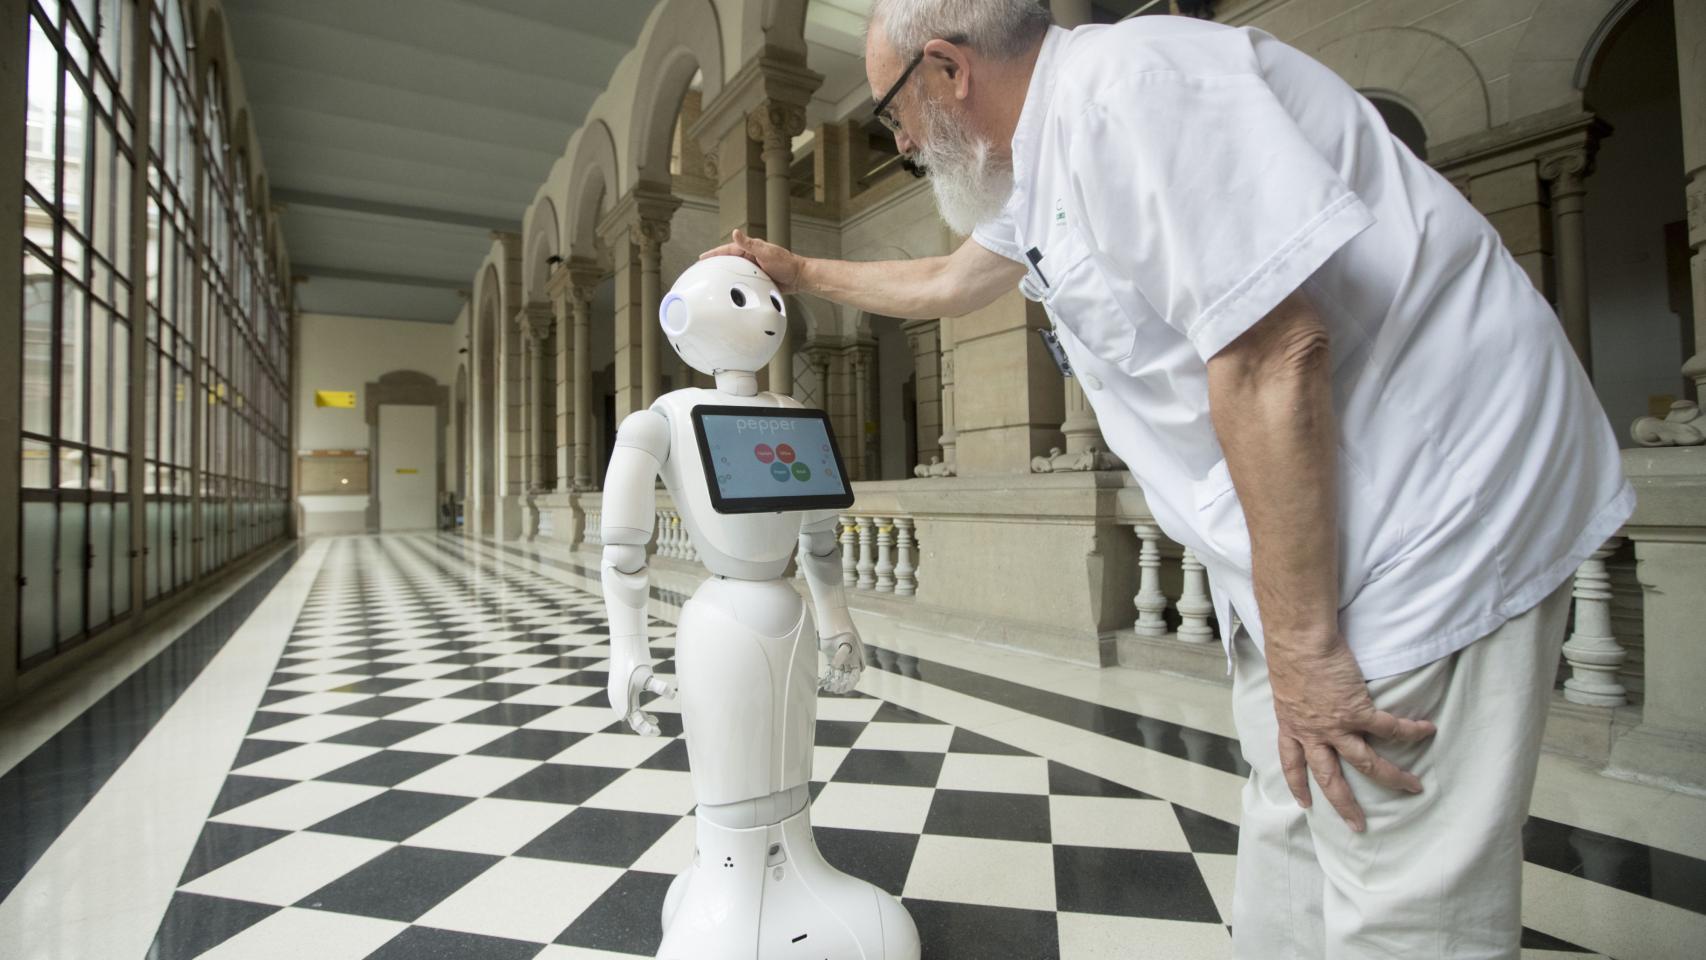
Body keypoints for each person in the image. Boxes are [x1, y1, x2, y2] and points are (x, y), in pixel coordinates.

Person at [700, 2, 1634, 958]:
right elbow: (948, 283)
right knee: (1291, 832)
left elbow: (1273, 356)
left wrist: (1304, 648)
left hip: (1430, 515)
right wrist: (795, 269)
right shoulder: (1048, 153)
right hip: (1313, 540)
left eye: (890, 110)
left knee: (1396, 882)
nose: (897, 140)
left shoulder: (1134, 93)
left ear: (947, 68)